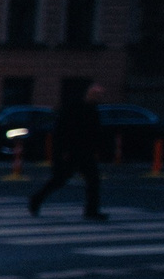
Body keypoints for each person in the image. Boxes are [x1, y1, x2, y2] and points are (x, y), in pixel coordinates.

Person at [30, 82, 109, 220]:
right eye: (98, 95)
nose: (100, 97)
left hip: (83, 151)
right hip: (73, 151)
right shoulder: (77, 108)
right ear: (90, 94)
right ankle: (36, 200)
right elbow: (65, 130)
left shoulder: (90, 108)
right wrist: (64, 150)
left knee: (92, 180)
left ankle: (91, 210)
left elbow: (93, 132)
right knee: (61, 179)